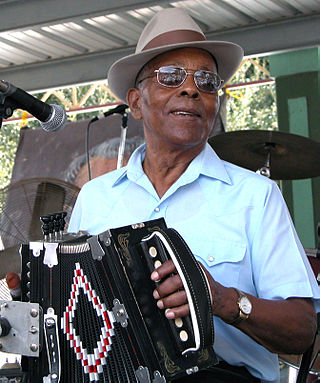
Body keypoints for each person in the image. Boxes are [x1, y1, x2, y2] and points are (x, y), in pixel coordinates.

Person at [68, 8, 320, 383]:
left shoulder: (256, 196)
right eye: (170, 77)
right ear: (136, 102)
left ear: (215, 102)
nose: (191, 89)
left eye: (206, 81)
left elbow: (302, 331)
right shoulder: (95, 197)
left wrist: (220, 299)